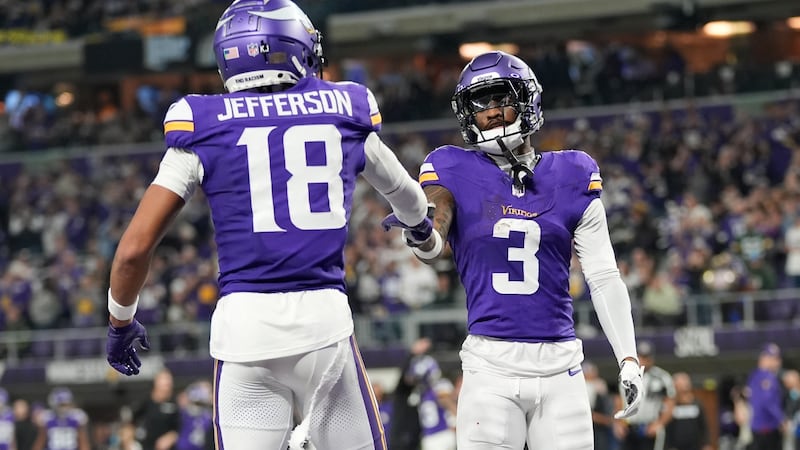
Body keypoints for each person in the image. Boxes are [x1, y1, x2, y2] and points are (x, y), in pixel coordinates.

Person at [104, 1, 432, 449]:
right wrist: (422, 233)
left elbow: (133, 250)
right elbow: (407, 195)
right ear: (291, 47)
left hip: (244, 332)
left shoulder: (203, 122)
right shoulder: (343, 107)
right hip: (324, 327)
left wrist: (120, 322)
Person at [382, 50, 643, 450]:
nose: (489, 111)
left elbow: (604, 274)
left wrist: (628, 357)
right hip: (490, 366)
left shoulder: (572, 173)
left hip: (562, 367)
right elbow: (435, 235)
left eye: (499, 97)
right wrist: (421, 231)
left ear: (527, 99)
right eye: (478, 103)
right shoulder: (450, 167)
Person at [616, 341, 675, 450]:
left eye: (646, 357)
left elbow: (670, 403)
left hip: (649, 426)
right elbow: (620, 400)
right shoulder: (627, 376)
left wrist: (659, 423)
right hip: (629, 427)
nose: (644, 360)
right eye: (641, 356)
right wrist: (618, 423)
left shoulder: (662, 377)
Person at [404, 338, 457, 450]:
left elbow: (449, 404)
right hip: (431, 435)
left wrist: (454, 423)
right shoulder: (420, 392)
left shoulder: (437, 388)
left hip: (441, 434)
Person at [745, 342, 784, 450]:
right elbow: (767, 401)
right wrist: (781, 419)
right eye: (775, 358)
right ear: (765, 358)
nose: (778, 362)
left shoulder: (753, 375)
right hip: (767, 428)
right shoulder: (768, 377)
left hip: (756, 427)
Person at [133, 369, 178, 450]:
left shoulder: (175, 404)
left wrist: (170, 438)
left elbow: (180, 428)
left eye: (169, 380)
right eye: (165, 380)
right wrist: (129, 442)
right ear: (156, 382)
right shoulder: (145, 401)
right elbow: (130, 423)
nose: (168, 383)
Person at [665, 372, 712, 450]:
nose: (683, 387)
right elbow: (667, 428)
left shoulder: (697, 404)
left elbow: (704, 426)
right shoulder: (671, 406)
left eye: (685, 384)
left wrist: (706, 444)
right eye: (679, 385)